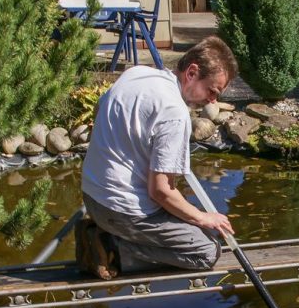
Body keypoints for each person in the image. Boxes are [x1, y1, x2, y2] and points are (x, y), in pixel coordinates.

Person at [77, 36, 239, 280]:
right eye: (212, 91)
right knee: (206, 251)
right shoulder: (174, 113)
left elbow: (101, 109)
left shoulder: (139, 74)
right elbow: (160, 192)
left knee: (189, 218)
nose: (213, 100)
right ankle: (112, 247)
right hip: (123, 211)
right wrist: (203, 217)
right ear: (192, 73)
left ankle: (103, 231)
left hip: (91, 197)